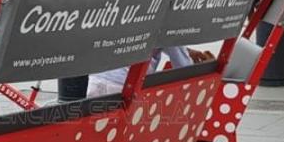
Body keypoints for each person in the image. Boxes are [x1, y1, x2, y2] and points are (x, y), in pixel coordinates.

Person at [87, 46, 215, 97]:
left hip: (97, 80)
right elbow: (183, 67)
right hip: (122, 87)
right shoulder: (168, 14)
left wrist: (187, 51)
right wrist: (206, 66)